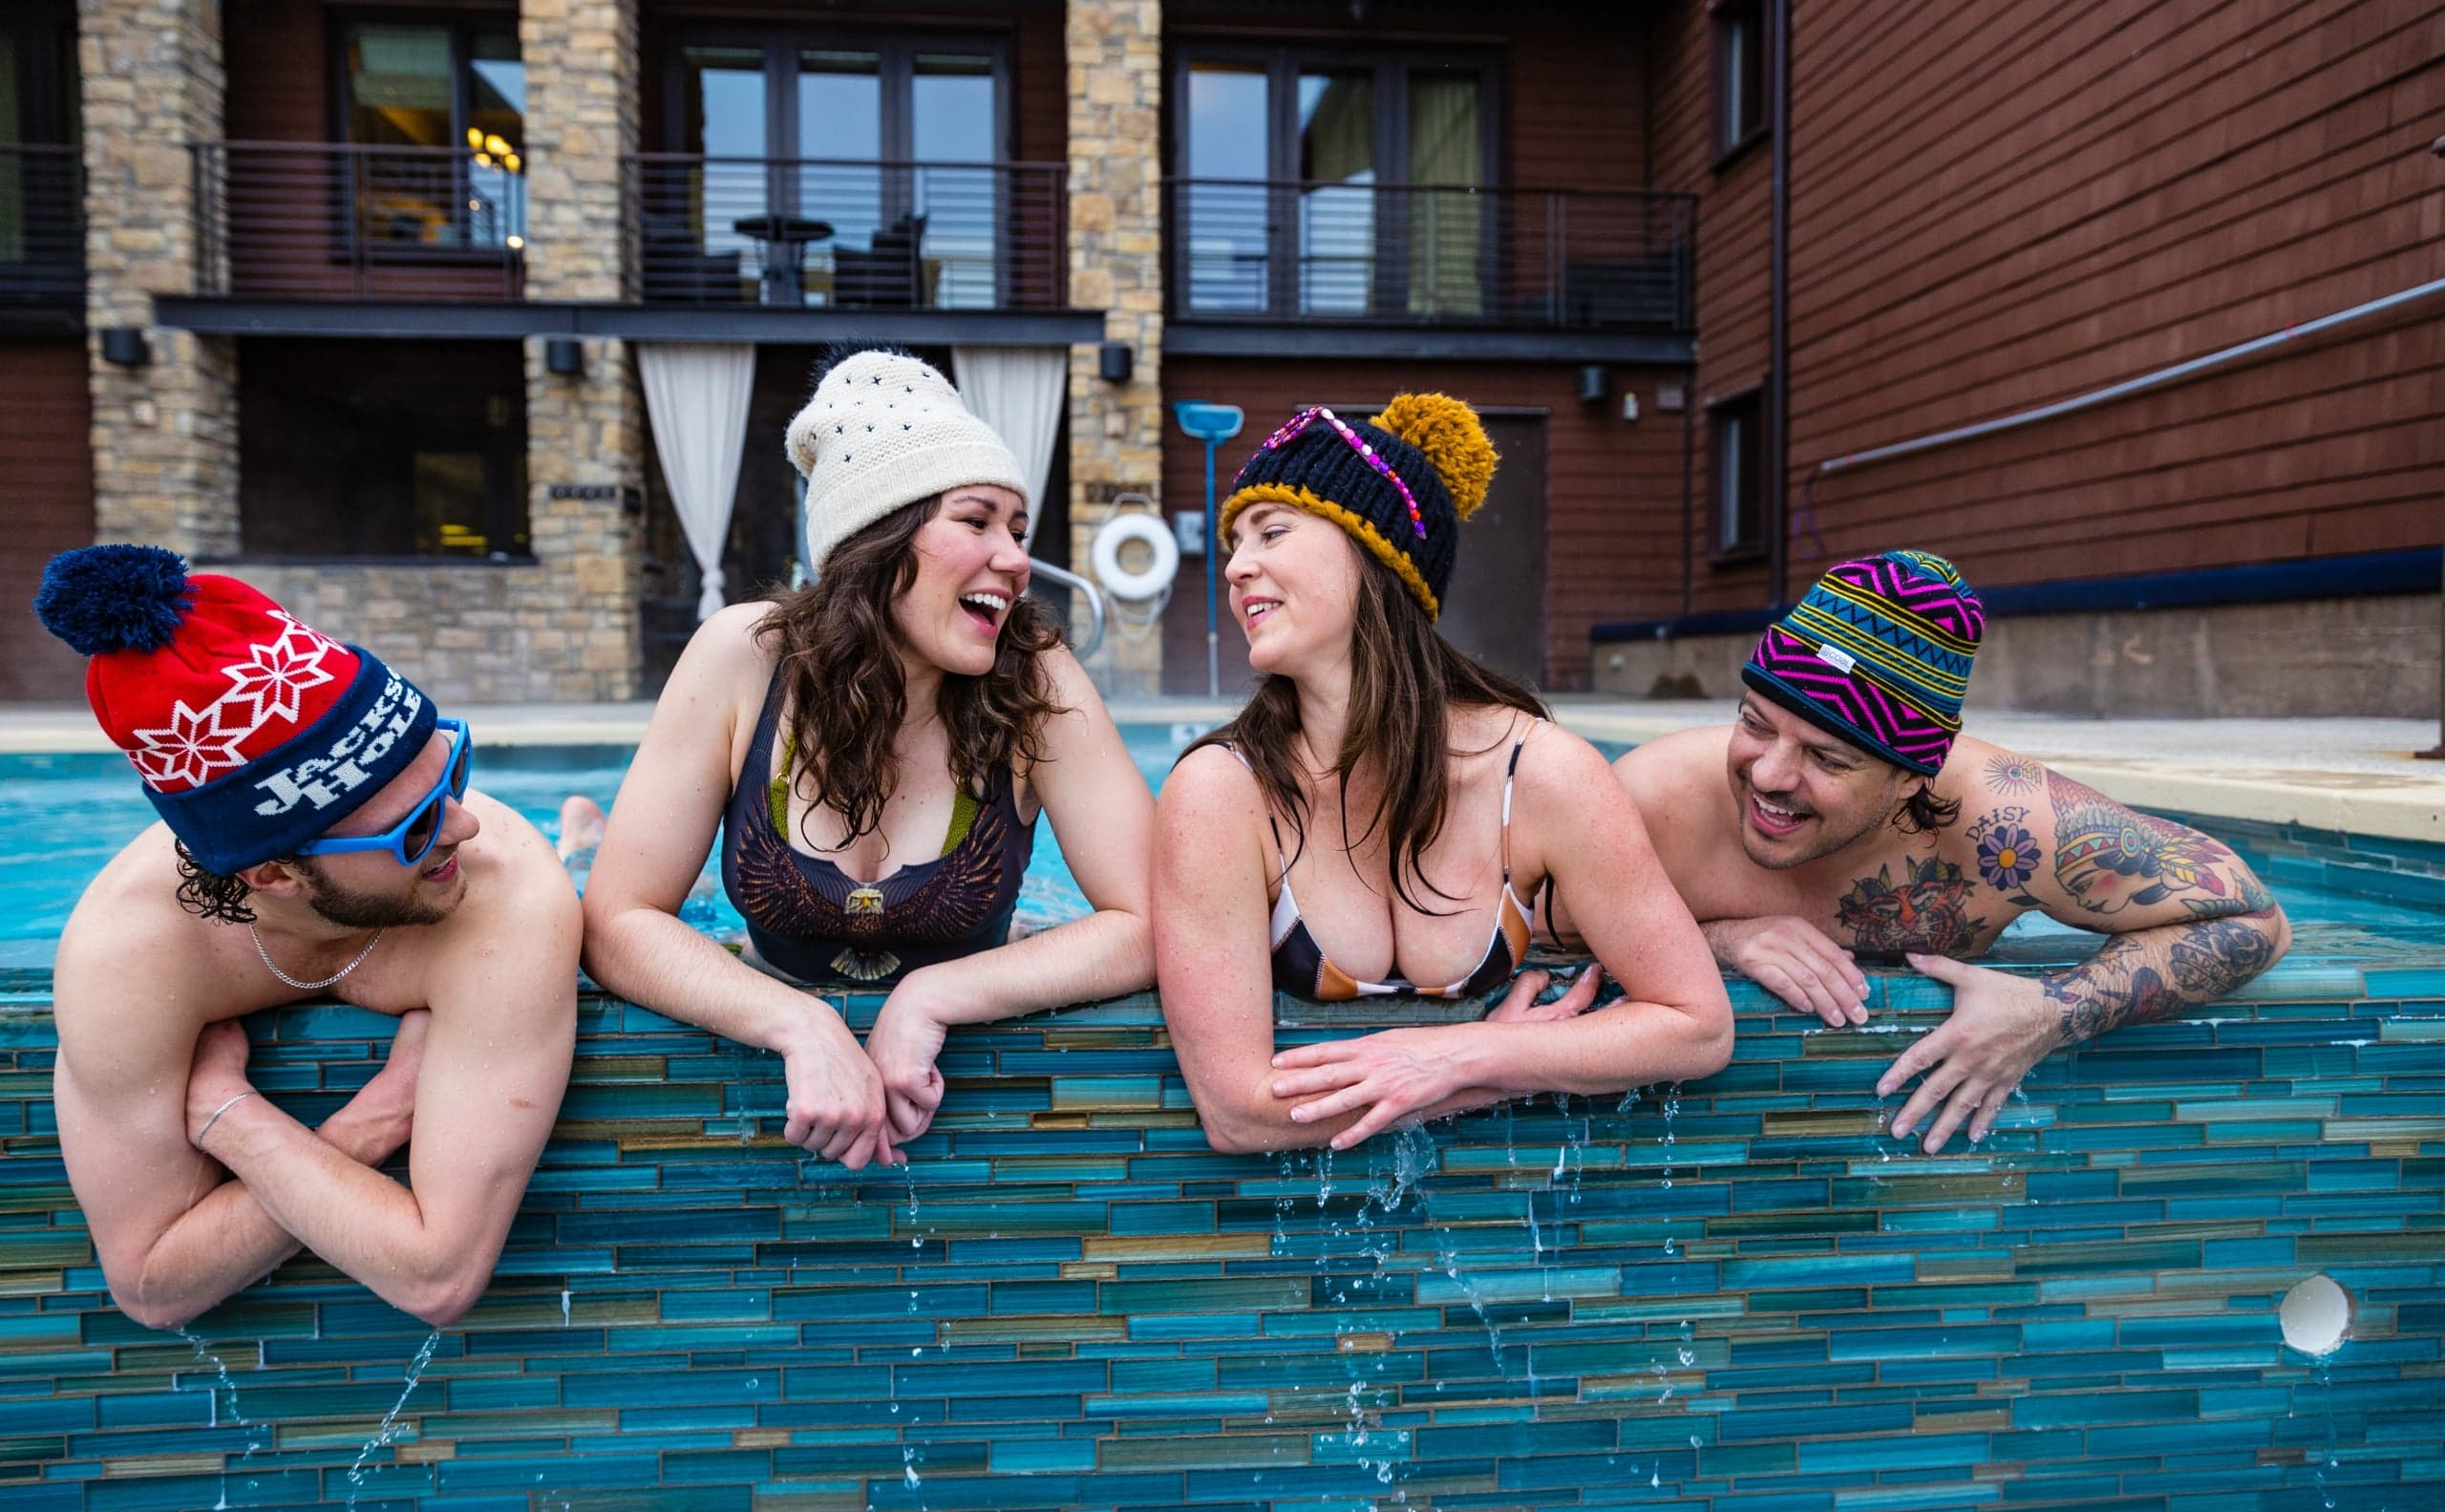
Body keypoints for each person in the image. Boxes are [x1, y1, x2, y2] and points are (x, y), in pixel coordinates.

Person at [581, 347, 1155, 1170]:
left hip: (981, 962)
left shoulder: (1035, 678)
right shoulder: (744, 659)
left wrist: (932, 995)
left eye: (1019, 529)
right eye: (977, 519)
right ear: (879, 536)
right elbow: (617, 918)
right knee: (580, 862)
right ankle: (582, 828)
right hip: (766, 969)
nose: (1018, 557)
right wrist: (794, 1020)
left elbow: (1148, 920)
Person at [1155, 396, 1733, 1155]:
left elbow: (1697, 1026)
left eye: (1272, 531)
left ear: (1377, 554)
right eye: (1235, 542)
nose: (1235, 566)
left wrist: (1477, 1054)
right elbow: (1239, 1111)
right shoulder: (1223, 793)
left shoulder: (1538, 773)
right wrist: (1473, 1075)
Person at [1578, 549, 2290, 1155]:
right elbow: (1516, 938)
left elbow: (2256, 919)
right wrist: (1720, 938)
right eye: (1755, 724)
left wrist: (2052, 1010)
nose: (1768, 775)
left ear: (1913, 775)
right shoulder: (1653, 803)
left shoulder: (2008, 826)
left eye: (1826, 757)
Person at [33, 546, 577, 1330]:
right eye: (414, 828)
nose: (468, 822)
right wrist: (366, 1119)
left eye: (451, 769)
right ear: (272, 874)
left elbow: (443, 1273)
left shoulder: (503, 883)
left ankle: (576, 839)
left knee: (560, 863)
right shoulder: (129, 953)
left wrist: (229, 1116)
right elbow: (152, 1285)